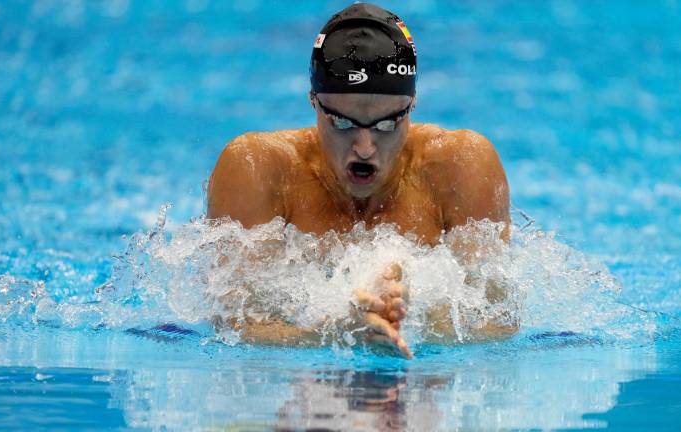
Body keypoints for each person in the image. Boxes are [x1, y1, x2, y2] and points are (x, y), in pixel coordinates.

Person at [206, 3, 512, 358]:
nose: (365, 148)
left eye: (386, 124)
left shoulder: (462, 164)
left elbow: (499, 320)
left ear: (412, 105)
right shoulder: (256, 167)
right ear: (314, 103)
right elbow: (232, 324)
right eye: (343, 123)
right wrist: (338, 329)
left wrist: (417, 317)